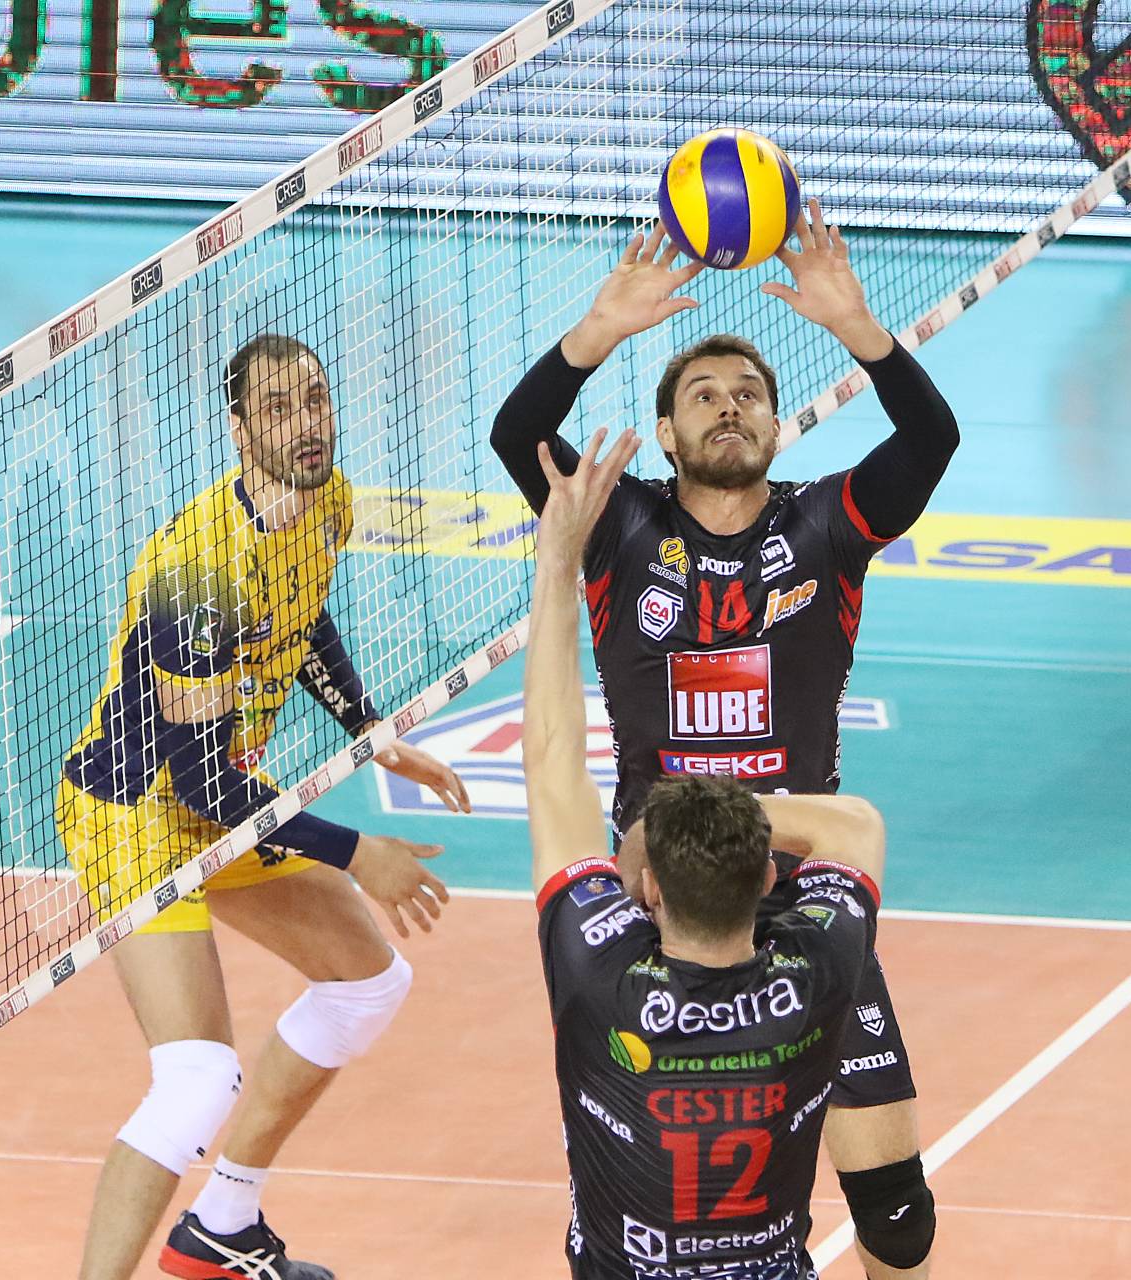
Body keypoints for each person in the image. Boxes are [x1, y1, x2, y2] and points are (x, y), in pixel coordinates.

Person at [492, 205, 955, 1278]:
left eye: (749, 392)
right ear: (666, 433)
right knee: (673, 1195)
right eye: (702, 393)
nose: (729, 405)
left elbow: (929, 443)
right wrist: (596, 335)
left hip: (805, 898)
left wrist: (858, 328)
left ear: (778, 426)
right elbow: (520, 438)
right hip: (664, 904)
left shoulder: (828, 525)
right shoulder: (617, 524)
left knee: (897, 1218)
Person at [55, 333, 473, 1280]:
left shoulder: (329, 503)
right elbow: (200, 782)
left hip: (220, 795)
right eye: (278, 409)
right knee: (197, 1078)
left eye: (315, 400)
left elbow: (304, 615)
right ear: (240, 431)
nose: (305, 423)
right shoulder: (199, 568)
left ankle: (223, 1224)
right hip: (136, 812)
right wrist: (356, 852)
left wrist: (367, 729)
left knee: (367, 983)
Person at [524, 425, 890, 1280]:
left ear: (647, 889)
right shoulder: (817, 969)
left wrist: (559, 559)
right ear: (768, 876)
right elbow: (854, 826)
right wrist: (723, 806)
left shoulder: (597, 970)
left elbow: (551, 755)